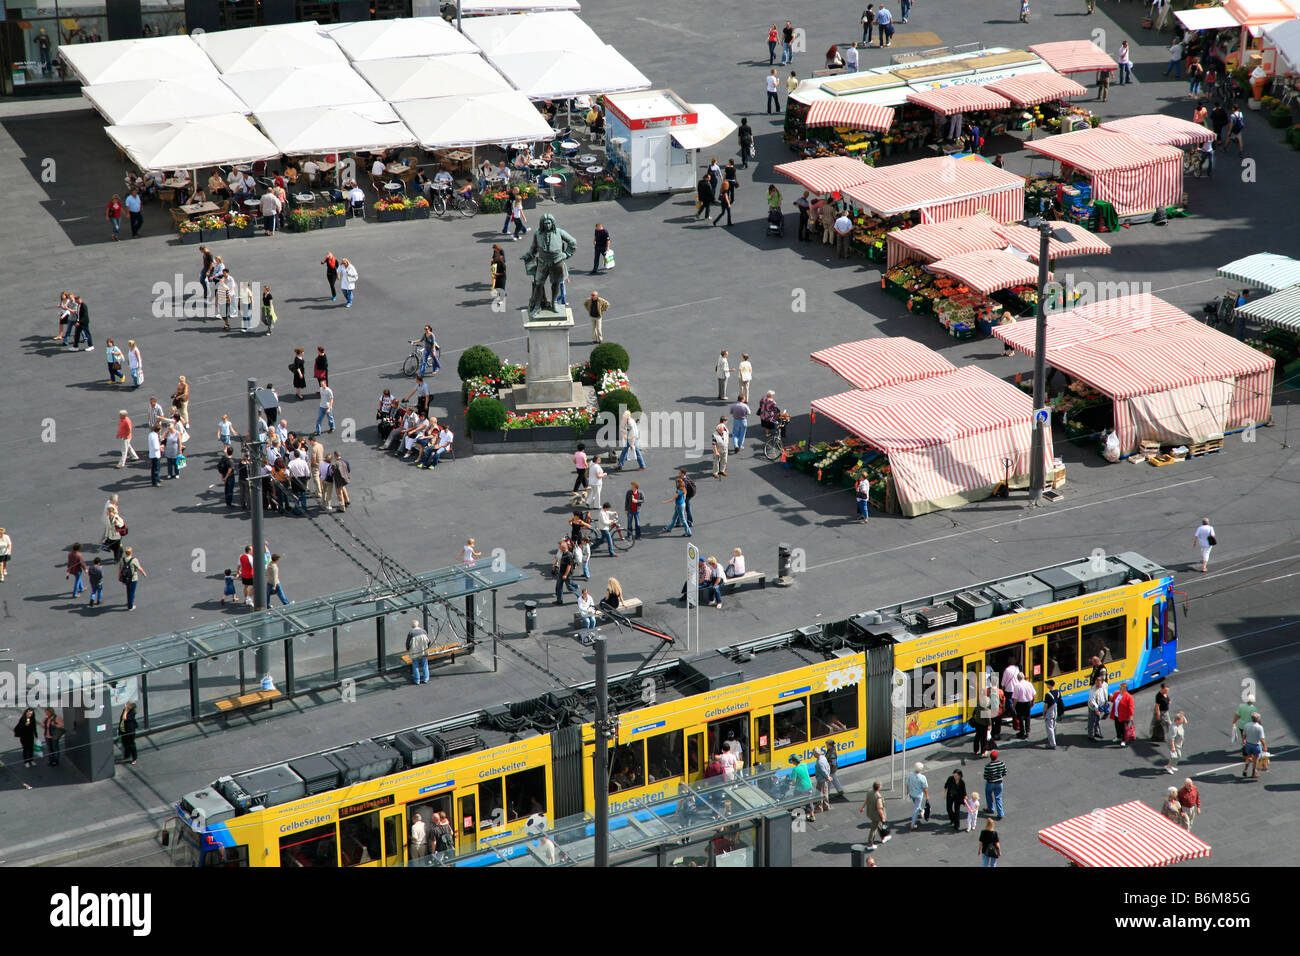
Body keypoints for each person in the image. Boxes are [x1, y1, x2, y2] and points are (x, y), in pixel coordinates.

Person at [859, 780, 890, 848]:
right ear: (878, 788)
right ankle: (870, 844)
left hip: (870, 812)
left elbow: (866, 800)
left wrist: (862, 807)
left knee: (879, 825)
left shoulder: (869, 792)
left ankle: (883, 836)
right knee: (873, 829)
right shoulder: (878, 797)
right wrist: (883, 817)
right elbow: (879, 809)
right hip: (876, 816)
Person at [553, 540, 580, 604]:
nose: (559, 548)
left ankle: (580, 597)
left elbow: (569, 566)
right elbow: (558, 558)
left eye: (560, 547)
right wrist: (555, 564)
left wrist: (565, 574)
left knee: (569, 587)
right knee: (559, 586)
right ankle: (559, 601)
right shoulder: (562, 553)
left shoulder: (568, 555)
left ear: (564, 548)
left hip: (566, 574)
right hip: (561, 572)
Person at [406, 619, 432, 684]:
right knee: (425, 664)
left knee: (415, 665)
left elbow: (407, 643)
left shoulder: (411, 633)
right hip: (423, 650)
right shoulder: (423, 631)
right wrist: (426, 648)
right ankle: (426, 678)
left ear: (412, 626)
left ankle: (417, 680)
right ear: (418, 624)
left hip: (415, 652)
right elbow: (428, 641)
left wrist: (408, 649)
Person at [983, 750, 1006, 819]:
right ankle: (1000, 813)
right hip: (999, 783)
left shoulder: (988, 766)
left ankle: (990, 809)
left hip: (990, 783)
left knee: (988, 795)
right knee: (998, 797)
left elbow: (985, 776)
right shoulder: (1002, 764)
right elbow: (1004, 773)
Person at [1110, 681, 1135, 746]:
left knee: (1124, 729)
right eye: (1120, 688)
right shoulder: (1116, 693)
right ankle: (1118, 737)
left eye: (1122, 688)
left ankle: (1124, 740)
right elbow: (1113, 701)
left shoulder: (1129, 697)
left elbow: (1131, 708)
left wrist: (1131, 716)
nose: (1120, 689)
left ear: (1125, 689)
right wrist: (1111, 698)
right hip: (1116, 714)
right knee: (1117, 727)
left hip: (1124, 716)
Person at [905, 761, 928, 830]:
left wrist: (908, 791)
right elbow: (925, 788)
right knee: (916, 809)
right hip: (918, 795)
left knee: (916, 805)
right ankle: (913, 823)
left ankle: (921, 812)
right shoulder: (922, 777)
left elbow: (907, 783)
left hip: (912, 794)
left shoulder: (911, 774)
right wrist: (927, 795)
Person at [1241, 713, 1266, 778]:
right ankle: (1254, 773)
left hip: (1248, 744)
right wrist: (1265, 747)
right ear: (1258, 719)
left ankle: (1245, 769)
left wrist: (1243, 741)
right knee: (1255, 759)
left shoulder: (1246, 725)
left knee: (1248, 757)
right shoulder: (1260, 727)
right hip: (1256, 745)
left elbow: (1244, 735)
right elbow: (1262, 739)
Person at [1012, 671, 1035, 739]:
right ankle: (1027, 731)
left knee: (1021, 717)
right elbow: (1034, 694)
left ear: (1018, 678)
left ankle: (1022, 732)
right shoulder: (1029, 684)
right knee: (1027, 716)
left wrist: (1013, 706)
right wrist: (1033, 702)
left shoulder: (1017, 686)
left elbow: (1015, 698)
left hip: (1020, 704)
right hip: (1028, 702)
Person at [1043, 679, 1062, 749]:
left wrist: (1044, 712)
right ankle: (1053, 739)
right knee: (1054, 726)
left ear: (1049, 685)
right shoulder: (1058, 692)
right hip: (1055, 711)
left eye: (1047, 684)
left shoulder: (1048, 695)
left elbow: (1046, 705)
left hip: (1050, 712)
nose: (1046, 685)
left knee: (1049, 727)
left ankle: (1052, 744)